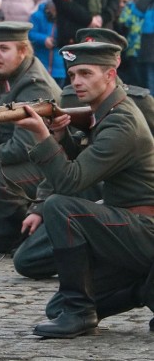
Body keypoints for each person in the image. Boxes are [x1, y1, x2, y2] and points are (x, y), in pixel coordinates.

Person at [15, 41, 154, 339]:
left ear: (110, 75)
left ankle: (81, 313)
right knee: (57, 308)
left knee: (59, 206)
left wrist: (42, 137)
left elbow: (70, 182)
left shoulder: (121, 122)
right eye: (73, 74)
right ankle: (144, 289)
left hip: (145, 230)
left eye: (86, 73)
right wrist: (61, 136)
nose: (76, 81)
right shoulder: (109, 113)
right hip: (127, 232)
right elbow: (84, 168)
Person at [0, 21, 60, 254]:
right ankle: (16, 230)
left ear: (22, 51)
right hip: (33, 163)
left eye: (3, 48)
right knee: (0, 243)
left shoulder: (33, 85)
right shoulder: (8, 76)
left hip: (51, 167)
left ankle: (36, 229)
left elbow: (23, 146)